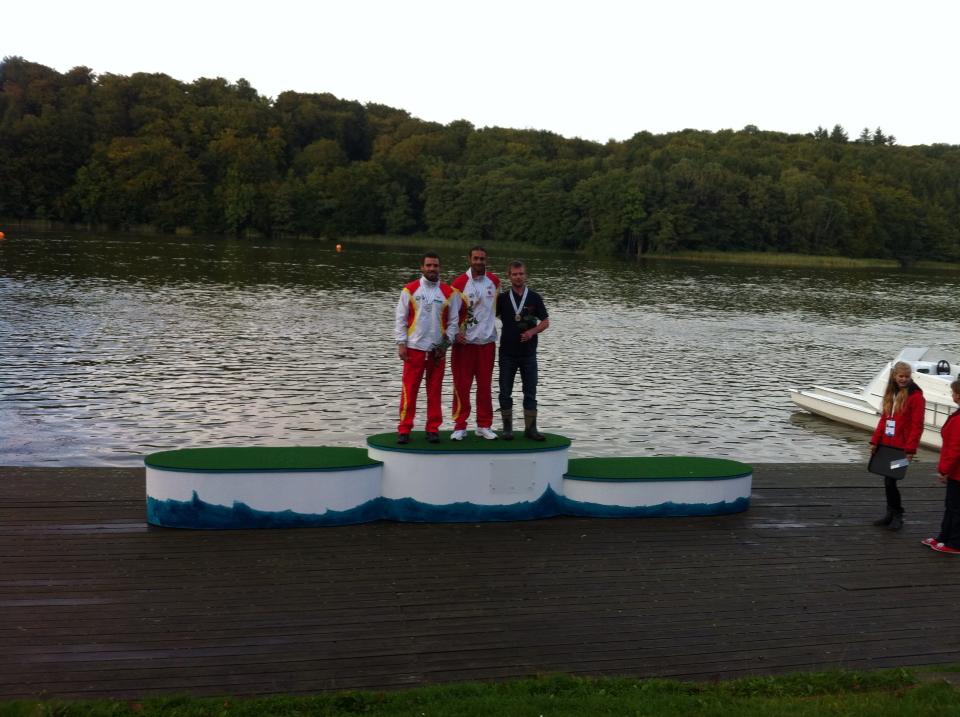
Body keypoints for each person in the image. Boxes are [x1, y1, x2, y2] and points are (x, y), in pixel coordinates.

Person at [394, 252, 460, 444]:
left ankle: (432, 429)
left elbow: (454, 323)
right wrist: (401, 343)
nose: (432, 269)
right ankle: (404, 429)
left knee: (434, 391)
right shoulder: (409, 289)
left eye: (435, 266)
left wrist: (445, 345)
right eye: (429, 265)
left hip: (437, 351)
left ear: (440, 268)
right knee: (409, 390)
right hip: (414, 349)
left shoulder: (449, 292)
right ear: (422, 267)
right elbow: (400, 319)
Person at [450, 246, 500, 440]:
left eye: (482, 259)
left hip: (487, 343)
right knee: (462, 385)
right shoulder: (459, 283)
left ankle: (484, 425)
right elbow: (450, 314)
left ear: (486, 260)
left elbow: (497, 309)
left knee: (485, 386)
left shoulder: (494, 281)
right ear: (469, 259)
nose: (479, 262)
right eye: (476, 258)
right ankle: (460, 425)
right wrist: (455, 334)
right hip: (464, 345)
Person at [496, 260, 550, 440]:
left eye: (521, 274)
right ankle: (507, 429)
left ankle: (531, 429)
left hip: (528, 354)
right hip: (507, 354)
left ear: (525, 275)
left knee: (530, 392)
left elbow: (545, 322)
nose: (518, 277)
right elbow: (487, 316)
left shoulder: (534, 297)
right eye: (514, 274)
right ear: (509, 276)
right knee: (505, 392)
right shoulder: (502, 298)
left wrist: (532, 332)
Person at [869, 360, 925, 531]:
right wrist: (875, 441)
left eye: (907, 376)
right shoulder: (891, 393)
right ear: (894, 376)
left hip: (902, 449)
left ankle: (897, 515)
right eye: (901, 376)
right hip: (887, 445)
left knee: (891, 480)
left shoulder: (916, 397)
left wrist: (910, 450)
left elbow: (917, 425)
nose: (904, 379)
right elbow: (884, 420)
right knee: (888, 480)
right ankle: (890, 513)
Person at [924, 379, 960, 554]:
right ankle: (943, 537)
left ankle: (955, 543)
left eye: (953, 392)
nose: (952, 395)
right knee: (951, 505)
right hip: (955, 472)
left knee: (956, 508)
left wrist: (944, 470)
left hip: (957, 472)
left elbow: (955, 448)